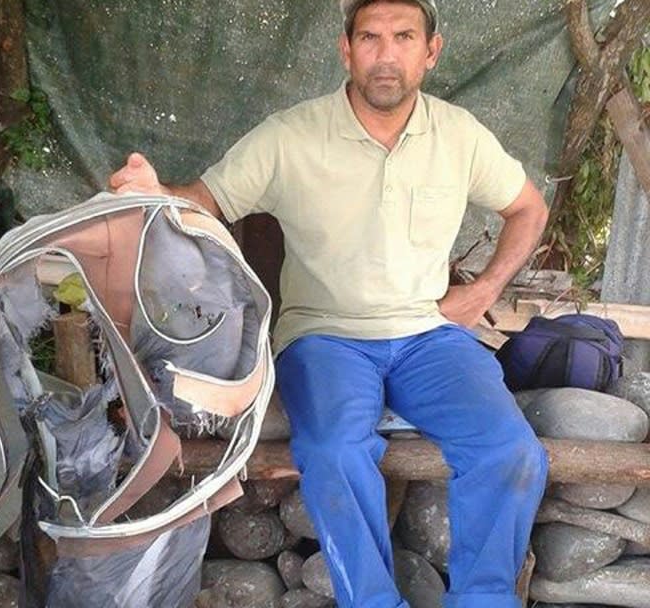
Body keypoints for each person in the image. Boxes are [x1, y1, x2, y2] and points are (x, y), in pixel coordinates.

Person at [110, 1, 550, 606]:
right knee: (333, 451)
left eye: (403, 37)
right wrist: (153, 191)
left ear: (431, 52)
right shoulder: (291, 135)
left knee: (511, 449)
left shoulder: (460, 134)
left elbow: (528, 207)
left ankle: (484, 599)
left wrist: (484, 289)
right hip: (325, 337)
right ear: (346, 51)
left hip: (431, 334)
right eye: (370, 37)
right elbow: (204, 201)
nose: (386, 54)